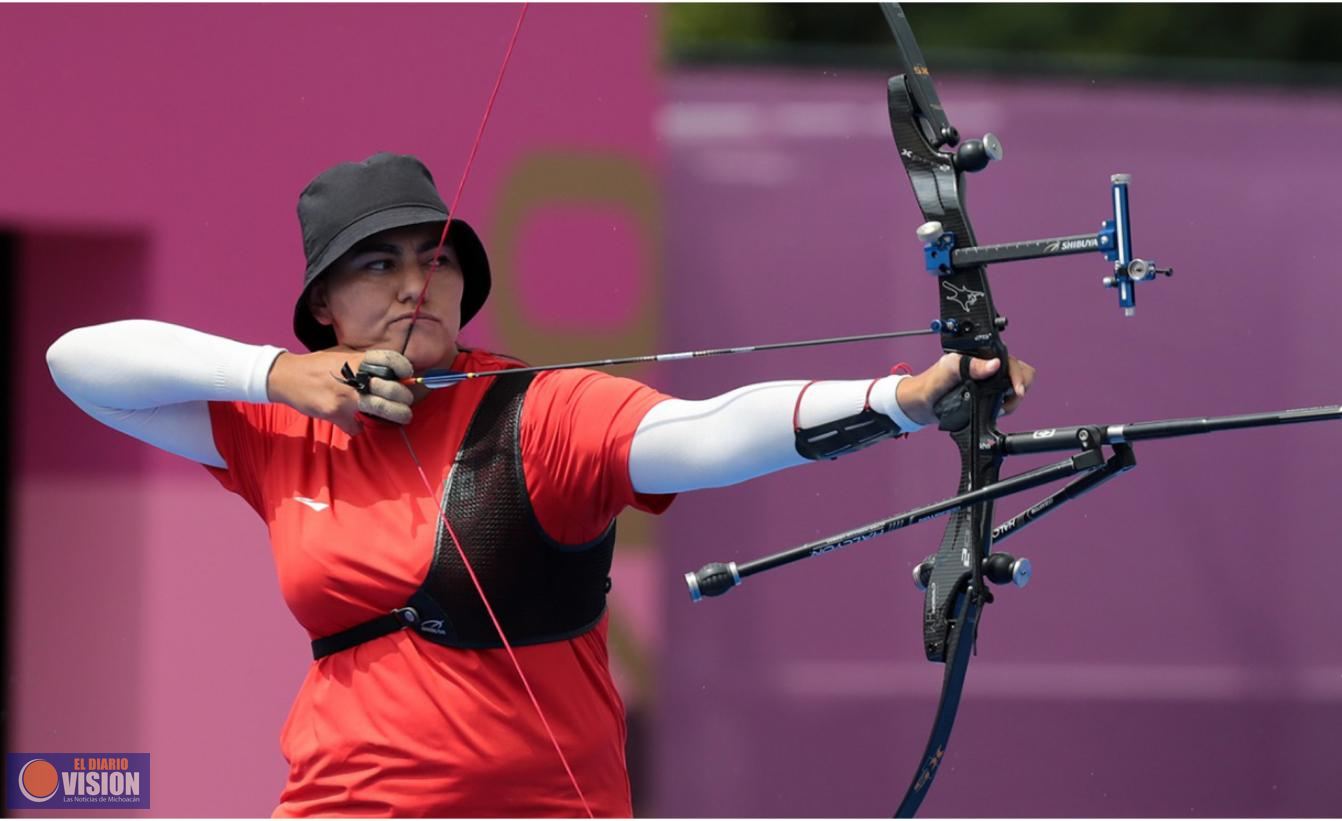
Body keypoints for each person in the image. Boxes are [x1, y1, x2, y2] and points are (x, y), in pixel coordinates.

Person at [45, 152, 1035, 817]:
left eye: (435, 259)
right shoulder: (279, 429)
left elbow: (700, 432)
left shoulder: (541, 409)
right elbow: (80, 362)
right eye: (375, 265)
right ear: (322, 306)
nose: (411, 283)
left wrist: (904, 396)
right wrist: (276, 375)